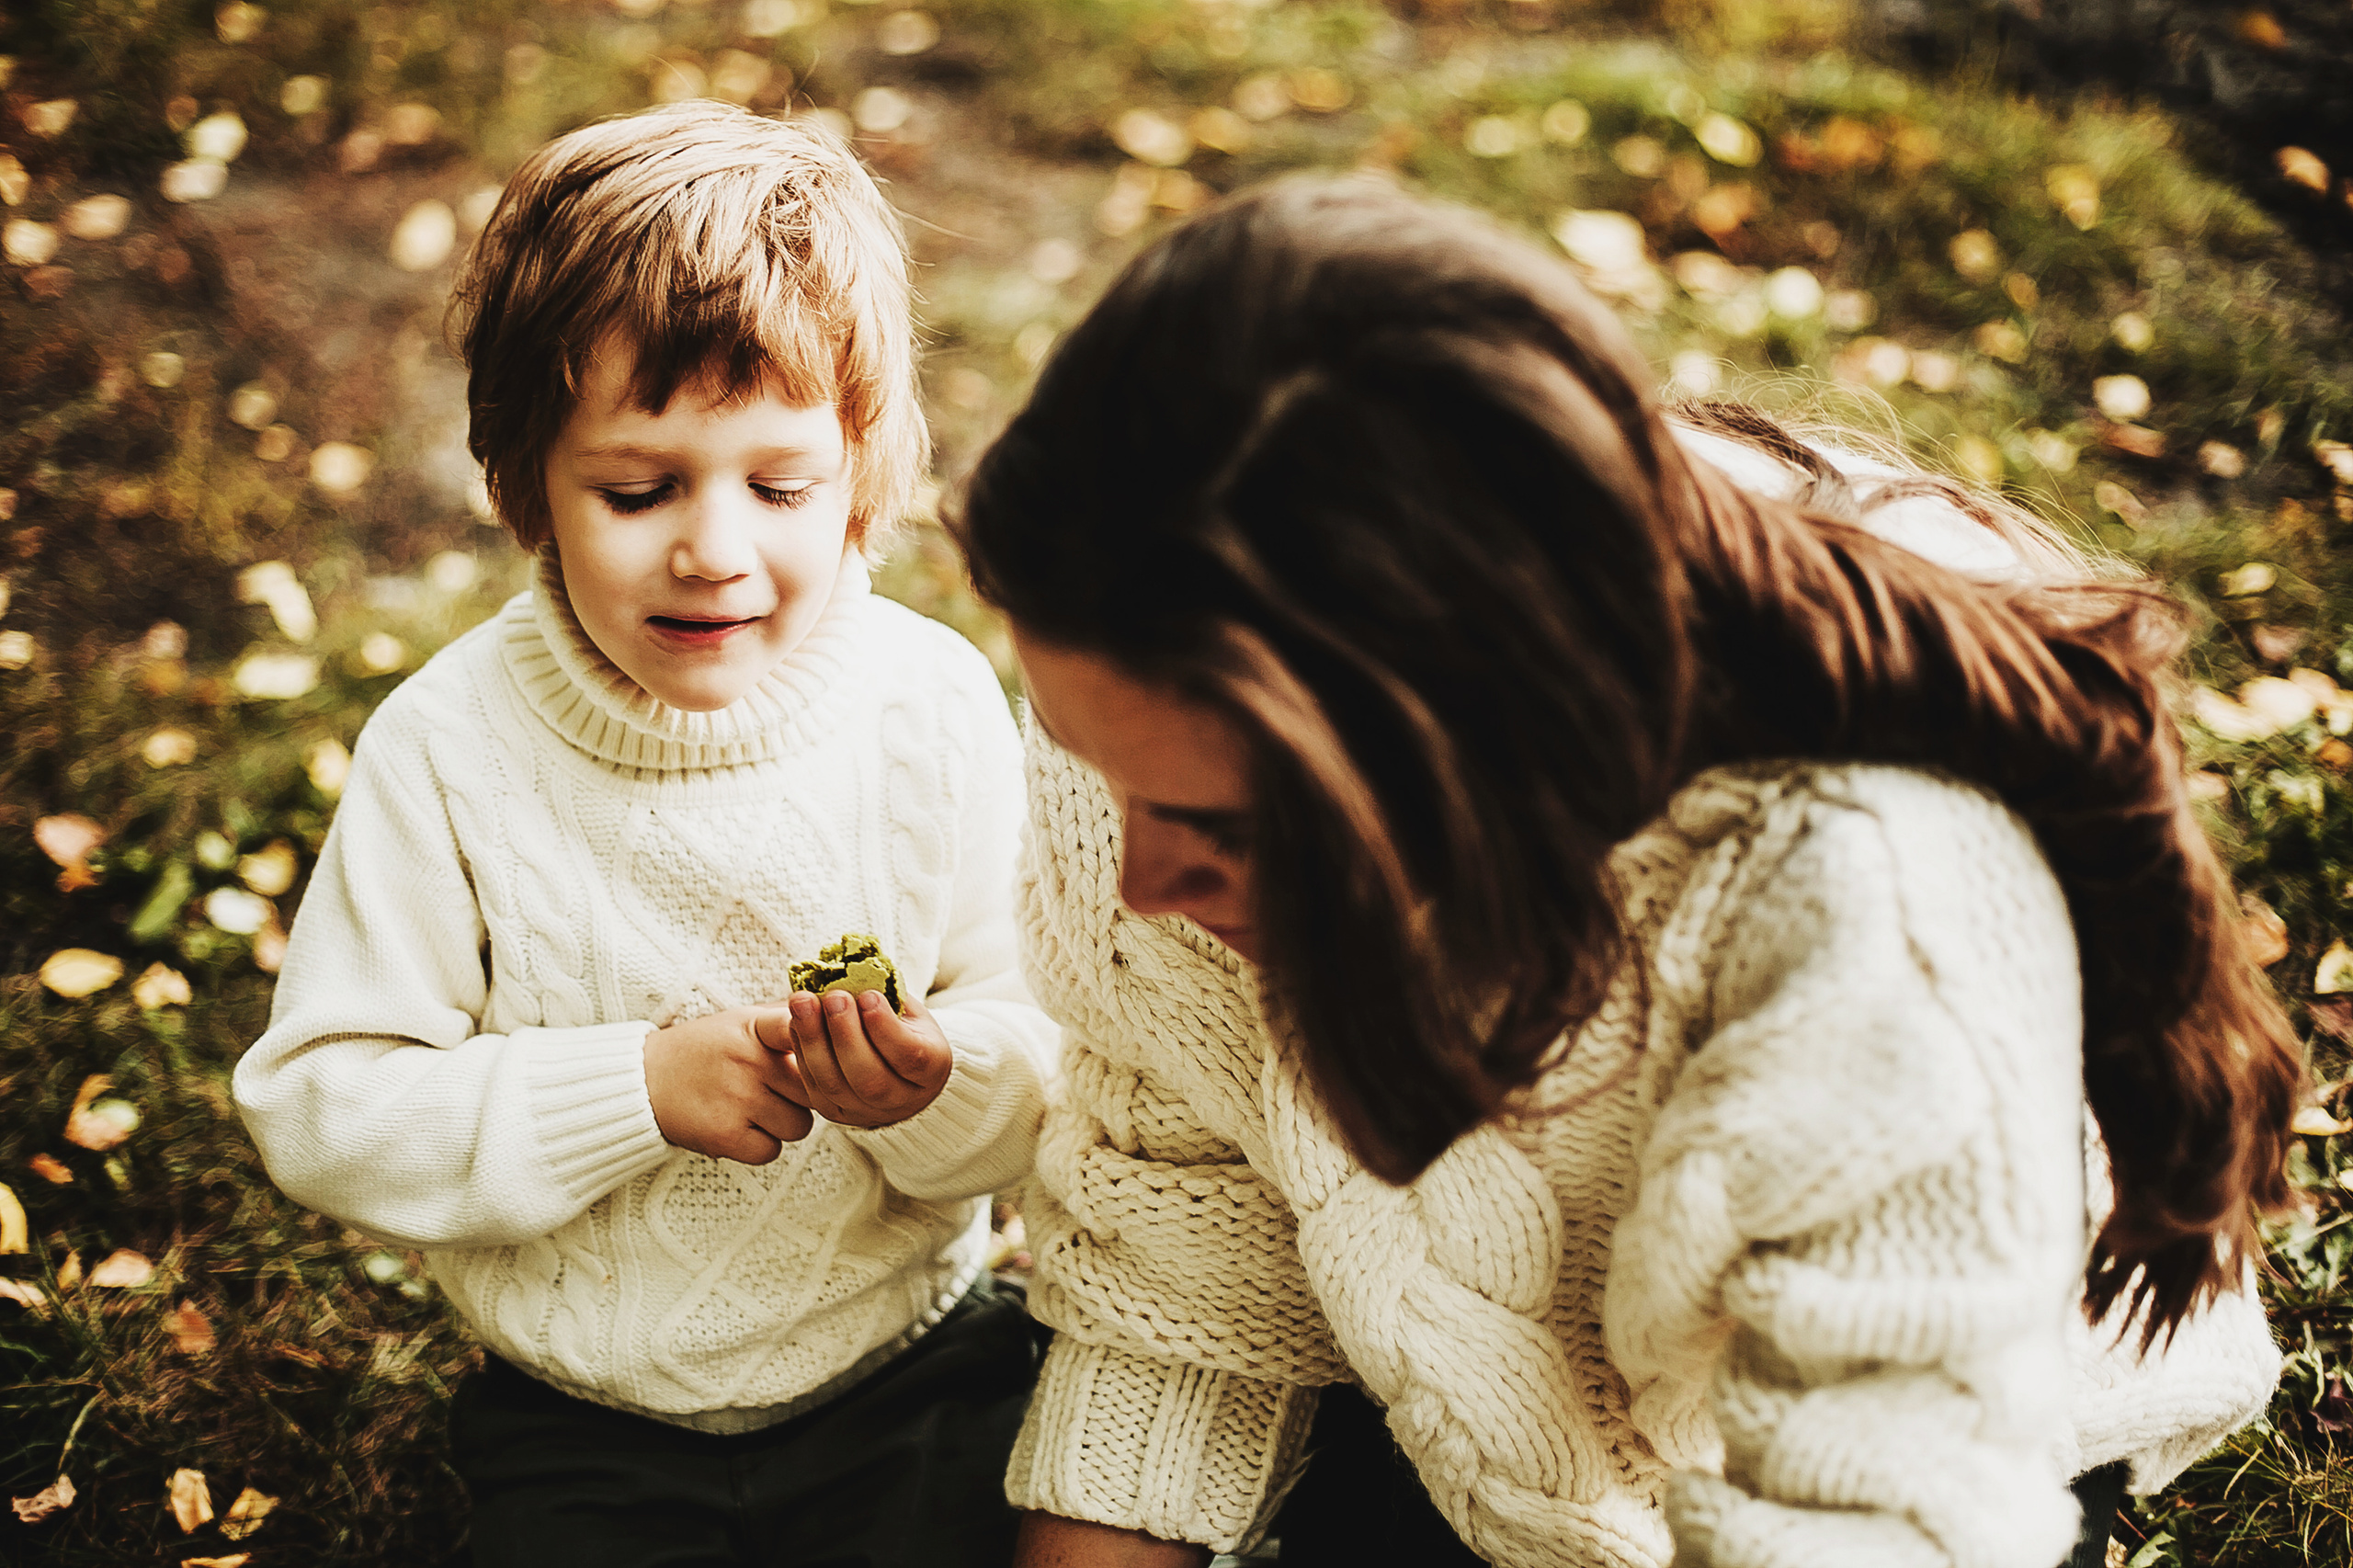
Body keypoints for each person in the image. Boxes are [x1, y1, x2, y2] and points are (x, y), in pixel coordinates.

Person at [951, 176, 2301, 1568]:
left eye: (1226, 830)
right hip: (1477, 1379)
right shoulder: (1159, 739)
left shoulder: (1864, 886)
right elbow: (1191, 1261)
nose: (1140, 883)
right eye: (1101, 773)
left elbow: (1868, 1506)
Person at [233, 101, 1057, 1568]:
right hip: (587, 1409)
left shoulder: (929, 709)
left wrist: (930, 1086)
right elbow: (324, 1104)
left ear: (863, 470)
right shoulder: (450, 752)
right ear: (524, 481)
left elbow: (1048, 1065)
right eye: (637, 488)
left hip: (913, 1368)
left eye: (782, 486)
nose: (715, 549)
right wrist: (629, 1089)